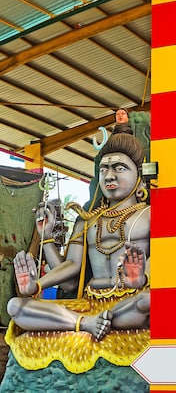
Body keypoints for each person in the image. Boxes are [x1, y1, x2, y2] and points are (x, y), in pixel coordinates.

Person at [6, 113, 151, 371]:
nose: (109, 176)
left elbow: (167, 261)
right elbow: (71, 272)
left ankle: (92, 321)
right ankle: (87, 324)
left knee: (149, 301)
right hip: (89, 303)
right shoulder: (87, 220)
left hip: (131, 300)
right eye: (104, 168)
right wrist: (37, 281)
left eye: (119, 168)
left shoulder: (151, 215)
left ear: (138, 174)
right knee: (17, 307)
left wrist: (142, 278)